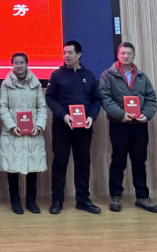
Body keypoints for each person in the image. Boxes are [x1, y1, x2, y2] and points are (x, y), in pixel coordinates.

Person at [99, 42, 157, 213]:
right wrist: (120, 115)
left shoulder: (141, 76)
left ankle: (142, 197)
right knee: (118, 161)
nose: (126, 56)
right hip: (119, 124)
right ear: (118, 55)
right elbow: (105, 98)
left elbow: (151, 99)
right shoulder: (108, 75)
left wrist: (146, 114)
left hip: (139, 125)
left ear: (134, 55)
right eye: (123, 53)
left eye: (129, 53)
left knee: (139, 161)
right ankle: (115, 196)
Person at [46, 41, 102, 215]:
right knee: (59, 163)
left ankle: (83, 200)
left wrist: (91, 116)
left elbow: (97, 100)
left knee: (83, 164)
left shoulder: (89, 75)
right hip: (62, 126)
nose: (66, 56)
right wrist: (63, 115)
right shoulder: (57, 75)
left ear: (79, 54)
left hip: (84, 127)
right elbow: (50, 98)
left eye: (70, 52)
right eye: (64, 52)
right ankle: (57, 200)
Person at [0, 52, 47, 215]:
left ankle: (31, 202)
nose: (19, 65)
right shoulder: (5, 84)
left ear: (27, 64)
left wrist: (39, 126)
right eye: (16, 63)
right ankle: (15, 202)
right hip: (13, 132)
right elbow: (3, 107)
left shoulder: (36, 84)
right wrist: (12, 126)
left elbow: (41, 107)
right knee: (12, 168)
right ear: (12, 65)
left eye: (22, 62)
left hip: (32, 132)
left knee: (32, 168)